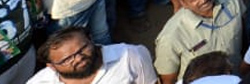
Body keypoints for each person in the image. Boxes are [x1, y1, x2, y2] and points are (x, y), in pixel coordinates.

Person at [155, 0, 245, 84]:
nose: (203, 0)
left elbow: (244, 30)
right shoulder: (171, 37)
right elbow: (168, 80)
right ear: (183, 4)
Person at [27, 27, 155, 84]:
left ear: (91, 40)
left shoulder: (130, 55)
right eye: (67, 59)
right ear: (52, 66)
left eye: (83, 48)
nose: (78, 58)